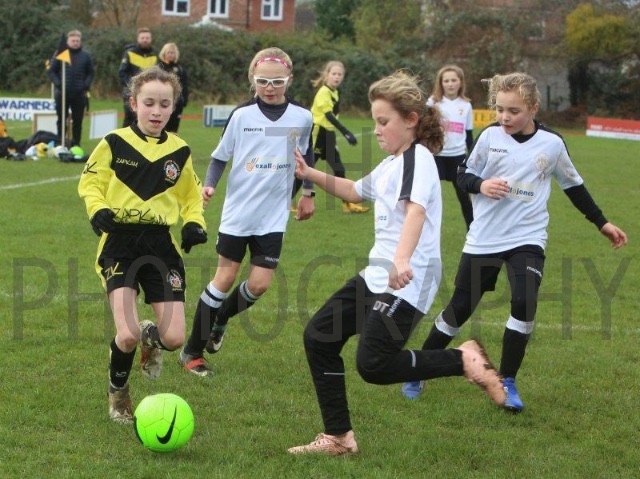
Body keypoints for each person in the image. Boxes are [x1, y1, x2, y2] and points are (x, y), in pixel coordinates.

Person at [288, 71, 506, 456]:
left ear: (410, 120)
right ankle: (339, 437)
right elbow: (354, 190)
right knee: (319, 336)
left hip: (408, 277)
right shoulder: (393, 163)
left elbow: (416, 211)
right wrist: (310, 173)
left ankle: (463, 359)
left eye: (383, 121)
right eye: (375, 121)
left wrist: (401, 260)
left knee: (373, 364)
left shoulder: (418, 160)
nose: (376, 129)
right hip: (379, 273)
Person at [400, 72, 628, 409]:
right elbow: (462, 174)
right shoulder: (489, 137)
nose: (504, 117)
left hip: (528, 238)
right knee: (459, 309)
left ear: (533, 108)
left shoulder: (552, 144)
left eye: (513, 111)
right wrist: (482, 185)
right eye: (500, 109)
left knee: (524, 301)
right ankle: (419, 370)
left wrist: (602, 222)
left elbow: (573, 185)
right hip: (485, 238)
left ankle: (507, 381)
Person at [78, 66, 208, 423]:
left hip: (160, 245)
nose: (156, 111)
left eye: (164, 104)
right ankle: (118, 395)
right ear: (134, 104)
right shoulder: (114, 142)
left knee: (175, 338)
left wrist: (194, 223)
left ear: (173, 107)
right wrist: (98, 209)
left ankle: (152, 336)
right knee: (127, 334)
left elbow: (191, 196)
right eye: (149, 103)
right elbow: (90, 183)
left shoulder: (180, 150)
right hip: (119, 242)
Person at [178, 47, 316, 377]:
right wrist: (209, 185)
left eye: (277, 81)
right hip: (239, 213)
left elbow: (306, 157)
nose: (270, 87)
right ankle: (192, 351)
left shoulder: (303, 116)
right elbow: (219, 156)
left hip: (274, 216)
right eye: (263, 81)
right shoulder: (241, 116)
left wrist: (308, 192)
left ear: (289, 79)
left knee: (259, 285)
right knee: (225, 278)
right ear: (253, 79)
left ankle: (222, 317)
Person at [291, 60, 368, 213]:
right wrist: (346, 132)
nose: (337, 77)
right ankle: (286, 201)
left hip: (329, 135)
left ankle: (347, 204)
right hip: (318, 134)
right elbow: (328, 116)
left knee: (339, 169)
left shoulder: (335, 92)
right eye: (334, 74)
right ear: (327, 75)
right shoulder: (324, 92)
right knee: (306, 169)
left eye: (340, 74)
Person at [428, 64, 474, 230]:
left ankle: (473, 231)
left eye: (454, 80)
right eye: (446, 81)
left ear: (460, 82)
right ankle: (425, 231)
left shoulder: (466, 105)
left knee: (464, 197)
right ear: (440, 83)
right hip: (437, 156)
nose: (450, 84)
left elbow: (469, 134)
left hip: (458, 157)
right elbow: (424, 129)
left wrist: (472, 158)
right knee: (430, 197)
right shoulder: (432, 103)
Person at [46, 30, 95, 146]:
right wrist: (59, 84)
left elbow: (91, 73)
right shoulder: (60, 54)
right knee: (61, 120)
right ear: (68, 41)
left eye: (77, 41)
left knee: (78, 121)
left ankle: (76, 143)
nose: (75, 43)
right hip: (62, 94)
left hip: (79, 94)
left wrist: (85, 85)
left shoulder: (86, 56)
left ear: (80, 41)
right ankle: (60, 143)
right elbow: (51, 72)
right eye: (73, 41)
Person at [118, 27, 157, 128]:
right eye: (142, 38)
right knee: (130, 119)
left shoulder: (154, 55)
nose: (145, 40)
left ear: (151, 39)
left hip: (148, 93)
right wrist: (133, 86)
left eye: (147, 38)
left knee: (146, 119)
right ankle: (124, 138)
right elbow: (122, 72)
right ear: (138, 39)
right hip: (130, 92)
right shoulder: (130, 53)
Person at [157, 42, 189, 133]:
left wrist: (184, 100)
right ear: (164, 53)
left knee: (174, 129)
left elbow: (184, 85)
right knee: (162, 127)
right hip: (163, 102)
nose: (170, 55)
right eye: (168, 52)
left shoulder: (180, 69)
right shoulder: (159, 67)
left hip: (177, 104)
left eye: (172, 53)